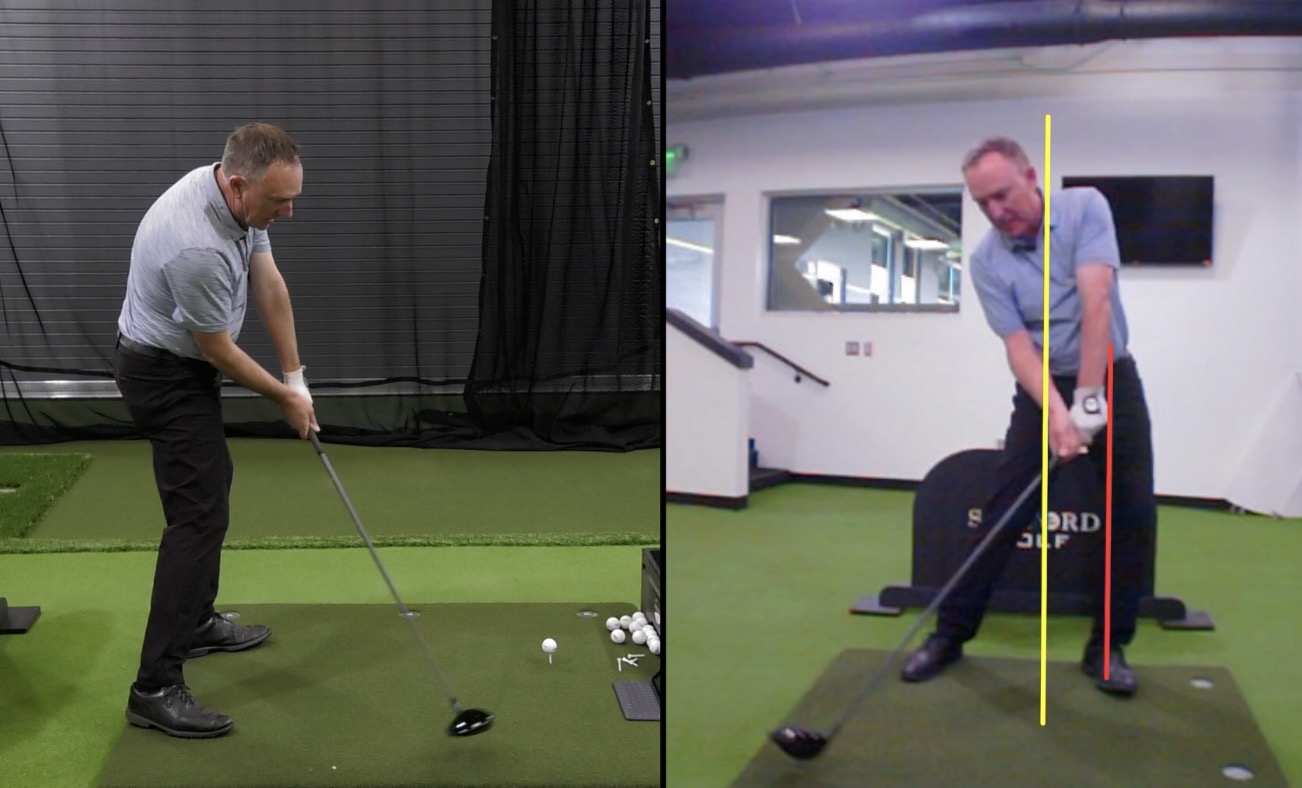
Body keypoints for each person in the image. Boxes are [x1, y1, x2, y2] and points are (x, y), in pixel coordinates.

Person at [900, 136, 1155, 696]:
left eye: (1002, 195)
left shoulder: (1085, 208)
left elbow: (1098, 304)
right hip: (1041, 388)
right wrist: (1059, 412)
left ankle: (1107, 647)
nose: (996, 211)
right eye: (982, 203)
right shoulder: (986, 261)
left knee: (1130, 512)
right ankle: (949, 635)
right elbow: (1018, 348)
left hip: (1112, 375)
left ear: (1031, 177)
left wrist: (1089, 400)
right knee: (1002, 513)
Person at [113, 122, 318, 737]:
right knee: (197, 517)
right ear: (236, 185)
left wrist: (296, 375)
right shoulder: (195, 244)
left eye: (292, 199)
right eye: (278, 202)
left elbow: (269, 285)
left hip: (186, 366)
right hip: (163, 374)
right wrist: (283, 398)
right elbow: (219, 350)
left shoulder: (241, 203)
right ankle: (153, 688)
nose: (287, 213)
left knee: (211, 490)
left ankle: (197, 621)